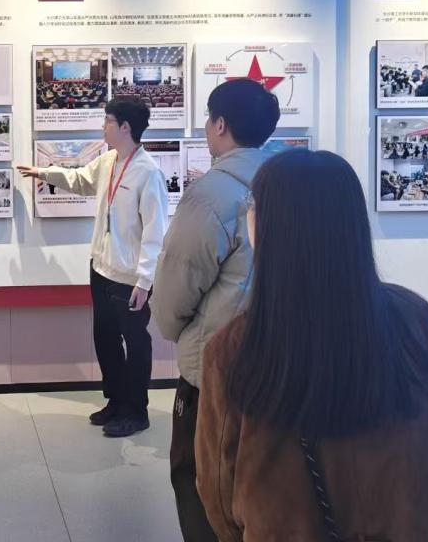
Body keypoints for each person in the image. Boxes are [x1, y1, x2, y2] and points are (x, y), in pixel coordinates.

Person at [196, 150, 428, 541]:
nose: (248, 215)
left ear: (274, 227)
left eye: (254, 206)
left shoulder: (235, 348)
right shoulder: (410, 316)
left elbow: (219, 492)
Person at [152, 79, 280, 542]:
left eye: (209, 119)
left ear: (220, 124)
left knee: (199, 483)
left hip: (214, 369)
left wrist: (174, 331)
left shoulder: (212, 194)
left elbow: (176, 287)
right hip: (277, 365)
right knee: (262, 488)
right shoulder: (289, 185)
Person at [17, 96, 168, 438]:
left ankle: (136, 411)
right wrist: (44, 172)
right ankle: (116, 400)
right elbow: (81, 179)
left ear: (125, 127)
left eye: (108, 122)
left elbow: (155, 233)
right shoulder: (109, 161)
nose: (103, 128)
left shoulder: (148, 172)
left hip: (129, 278)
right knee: (105, 339)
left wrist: (145, 281)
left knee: (136, 343)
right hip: (101, 269)